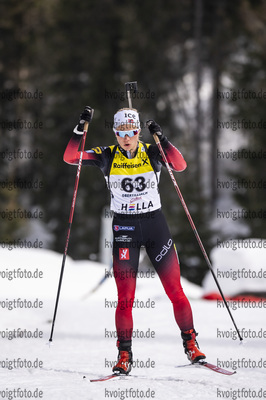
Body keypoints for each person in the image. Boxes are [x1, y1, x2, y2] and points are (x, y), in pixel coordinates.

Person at [63, 105, 206, 375]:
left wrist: (161, 139)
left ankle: (191, 344)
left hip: (155, 226)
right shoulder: (106, 155)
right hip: (125, 229)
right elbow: (71, 157)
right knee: (125, 298)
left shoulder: (151, 152)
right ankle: (124, 354)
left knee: (175, 290)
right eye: (120, 133)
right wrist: (80, 128)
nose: (126, 138)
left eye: (131, 132)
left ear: (138, 131)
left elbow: (180, 164)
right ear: (115, 133)